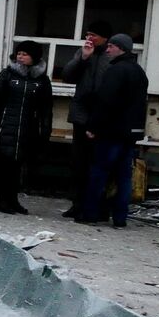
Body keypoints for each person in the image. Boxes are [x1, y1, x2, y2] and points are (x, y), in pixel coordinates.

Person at [78, 33, 148, 228]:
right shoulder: (139, 72)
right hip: (130, 133)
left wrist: (93, 127)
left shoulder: (115, 71)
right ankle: (120, 218)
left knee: (99, 172)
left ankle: (90, 214)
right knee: (124, 177)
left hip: (111, 132)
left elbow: (105, 102)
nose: (107, 50)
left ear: (121, 48)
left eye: (111, 46)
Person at [0, 41, 54, 214]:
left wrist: (46, 131)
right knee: (3, 165)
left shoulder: (42, 80)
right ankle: (1, 201)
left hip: (28, 130)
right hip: (5, 127)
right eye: (19, 53)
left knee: (18, 166)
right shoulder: (7, 74)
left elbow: (46, 109)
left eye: (25, 54)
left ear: (34, 57)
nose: (20, 57)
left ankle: (13, 201)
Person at [57, 22, 109, 218]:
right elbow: (67, 76)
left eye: (93, 35)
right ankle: (77, 203)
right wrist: (83, 59)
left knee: (98, 163)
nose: (89, 38)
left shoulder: (109, 55)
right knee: (78, 163)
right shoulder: (83, 54)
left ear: (104, 38)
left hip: (101, 117)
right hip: (81, 116)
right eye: (87, 34)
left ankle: (98, 206)